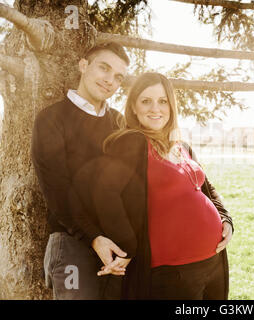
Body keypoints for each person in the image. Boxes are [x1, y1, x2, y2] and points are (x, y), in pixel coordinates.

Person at [85, 72, 234, 299]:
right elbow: (105, 195)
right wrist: (128, 246)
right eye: (146, 101)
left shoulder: (180, 145)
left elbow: (206, 187)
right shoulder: (131, 142)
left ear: (171, 106)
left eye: (163, 101)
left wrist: (225, 218)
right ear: (134, 107)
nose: (156, 108)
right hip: (174, 272)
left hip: (214, 260)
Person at [31, 42, 130, 299]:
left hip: (118, 248)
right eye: (104, 69)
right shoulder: (52, 118)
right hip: (72, 242)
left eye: (118, 77)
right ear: (84, 65)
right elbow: (57, 190)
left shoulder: (121, 124)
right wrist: (94, 237)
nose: (110, 80)